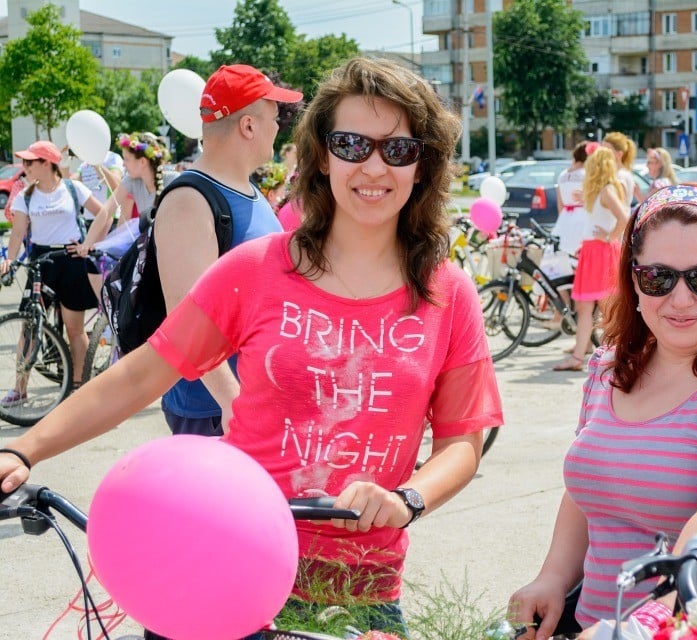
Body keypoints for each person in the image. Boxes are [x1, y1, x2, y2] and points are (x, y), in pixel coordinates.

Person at [0, 57, 503, 638]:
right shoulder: (256, 270)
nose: (372, 166)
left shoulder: (448, 293)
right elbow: (145, 373)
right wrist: (25, 450)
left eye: (396, 149)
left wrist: (408, 498)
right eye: (350, 143)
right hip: (228, 561)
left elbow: (462, 441)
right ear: (320, 155)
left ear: (423, 163)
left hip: (361, 590)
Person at [512, 184, 697, 640]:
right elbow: (588, 489)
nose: (680, 299)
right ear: (633, 279)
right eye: (658, 277)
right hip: (594, 626)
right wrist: (553, 577)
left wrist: (643, 626)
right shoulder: (610, 367)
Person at [153, 64, 301, 440]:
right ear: (248, 126)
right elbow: (187, 323)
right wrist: (232, 402)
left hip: (253, 399)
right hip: (214, 411)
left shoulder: (248, 191)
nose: (278, 126)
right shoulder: (190, 200)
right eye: (273, 116)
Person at [0, 141, 104, 396]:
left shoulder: (72, 188)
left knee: (74, 329)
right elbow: (17, 234)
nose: (24, 167)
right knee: (29, 325)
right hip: (40, 262)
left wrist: (88, 244)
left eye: (29, 162)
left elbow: (103, 214)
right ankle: (20, 388)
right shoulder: (26, 195)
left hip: (70, 261)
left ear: (47, 164)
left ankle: (79, 386)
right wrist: (10, 260)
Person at [553, 146, 628, 372]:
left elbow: (624, 217)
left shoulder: (606, 190)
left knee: (604, 308)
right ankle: (582, 356)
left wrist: (609, 237)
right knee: (587, 307)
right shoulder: (600, 190)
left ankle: (614, 355)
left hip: (601, 251)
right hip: (592, 250)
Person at [78, 133, 179, 295]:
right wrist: (88, 242)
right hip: (145, 241)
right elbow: (107, 210)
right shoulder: (131, 181)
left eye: (126, 159)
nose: (123, 165)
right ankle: (109, 309)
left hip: (170, 246)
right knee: (101, 263)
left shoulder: (173, 180)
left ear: (142, 162)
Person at [554, 141, 590, 256]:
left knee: (566, 254)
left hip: (566, 216)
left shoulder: (562, 175)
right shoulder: (587, 174)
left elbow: (560, 203)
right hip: (583, 215)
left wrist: (563, 219)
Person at [75, 149, 123, 224]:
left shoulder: (112, 157)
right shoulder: (84, 164)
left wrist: (96, 164)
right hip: (89, 219)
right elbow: (72, 185)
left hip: (110, 218)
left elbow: (116, 185)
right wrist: (63, 166)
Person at [602, 131, 642, 205]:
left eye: (607, 151)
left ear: (619, 154)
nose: (602, 154)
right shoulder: (618, 174)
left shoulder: (621, 175)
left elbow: (616, 205)